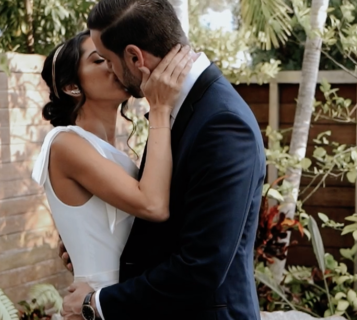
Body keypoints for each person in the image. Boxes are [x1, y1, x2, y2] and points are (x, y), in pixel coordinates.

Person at [58, 0, 266, 319]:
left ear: (134, 57)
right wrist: (99, 244)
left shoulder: (223, 124)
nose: (112, 73)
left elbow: (201, 268)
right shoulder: (176, 106)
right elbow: (169, 230)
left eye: (109, 61)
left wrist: (96, 304)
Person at [30, 30, 198, 316]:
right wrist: (158, 109)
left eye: (113, 57)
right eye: (100, 60)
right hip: (100, 305)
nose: (115, 65)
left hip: (130, 298)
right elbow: (153, 205)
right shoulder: (65, 143)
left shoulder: (114, 152)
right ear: (72, 86)